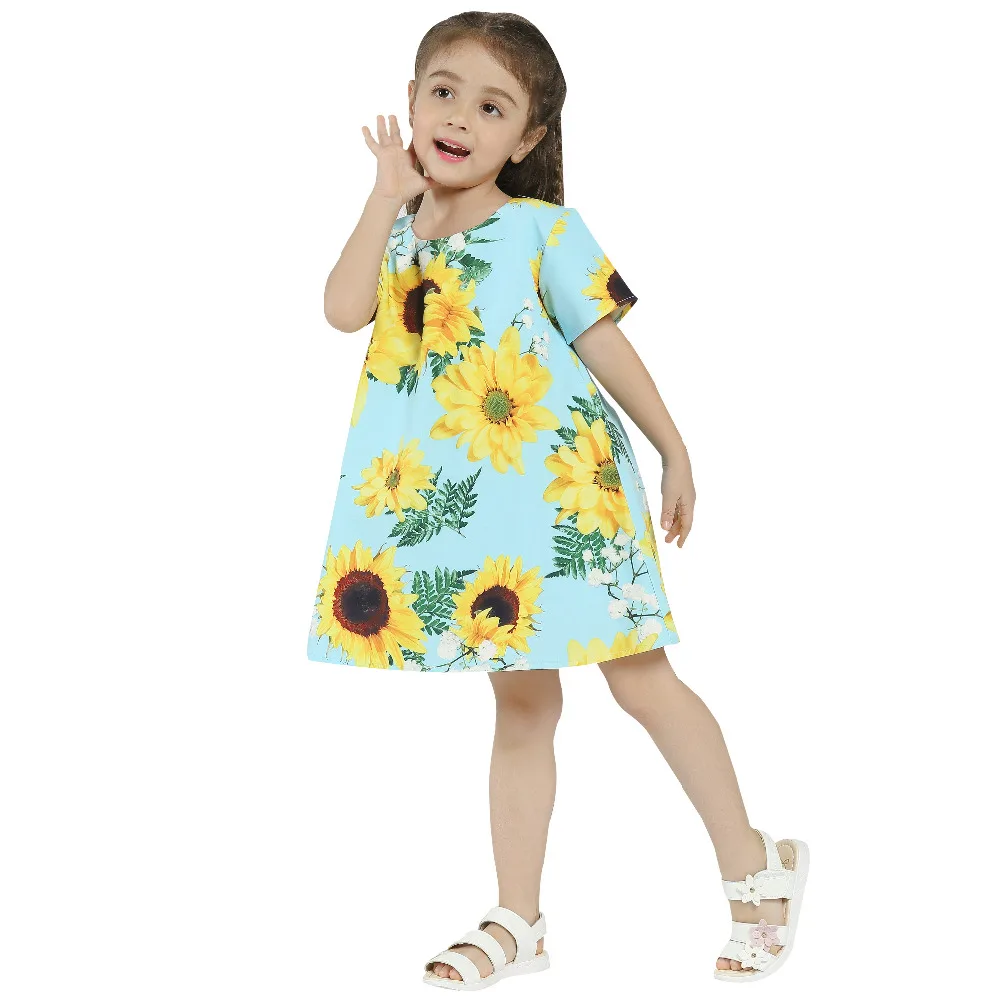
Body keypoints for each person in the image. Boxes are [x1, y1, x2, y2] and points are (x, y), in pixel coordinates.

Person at [309, 10, 809, 988]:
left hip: (568, 494)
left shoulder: (545, 230)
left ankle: (756, 867)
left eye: (492, 107)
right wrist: (381, 195)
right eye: (443, 92)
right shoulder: (397, 228)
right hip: (478, 513)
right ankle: (520, 918)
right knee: (522, 701)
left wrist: (673, 448)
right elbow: (340, 310)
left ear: (528, 137)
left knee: (640, 682)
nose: (460, 118)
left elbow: (602, 341)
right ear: (410, 99)